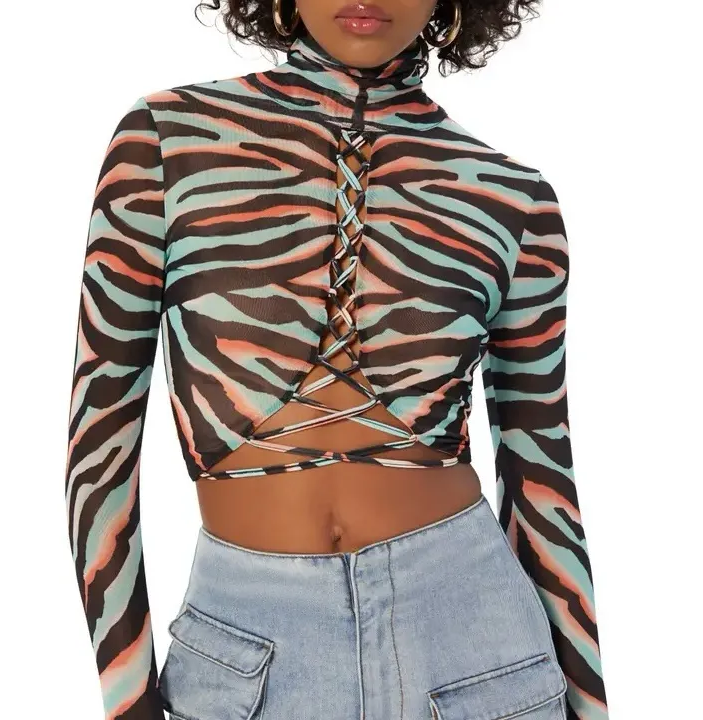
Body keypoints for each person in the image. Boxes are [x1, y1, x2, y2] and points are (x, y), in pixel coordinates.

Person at [64, 1, 609, 719]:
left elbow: (542, 484)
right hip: (245, 654)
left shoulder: (514, 197)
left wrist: (591, 707)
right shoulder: (167, 140)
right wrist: (126, 698)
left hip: (479, 650)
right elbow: (99, 449)